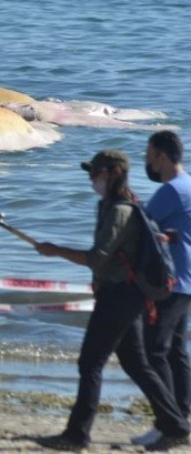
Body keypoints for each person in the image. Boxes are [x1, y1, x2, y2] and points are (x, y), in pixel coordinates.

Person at [34, 150, 190, 452]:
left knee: (90, 362)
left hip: (121, 296)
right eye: (90, 173)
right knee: (135, 363)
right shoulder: (111, 206)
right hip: (124, 294)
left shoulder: (121, 210)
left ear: (114, 172)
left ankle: (76, 435)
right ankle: (176, 425)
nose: (92, 178)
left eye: (96, 172)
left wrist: (56, 250)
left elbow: (97, 258)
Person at [131, 131, 191, 445]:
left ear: (162, 156)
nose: (147, 161)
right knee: (176, 352)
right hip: (186, 280)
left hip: (172, 282)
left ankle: (169, 423)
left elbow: (141, 226)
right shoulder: (189, 185)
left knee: (155, 351)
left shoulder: (172, 190)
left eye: (149, 154)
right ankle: (180, 416)